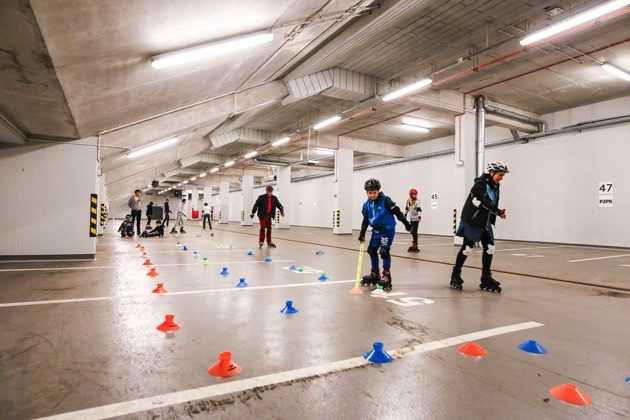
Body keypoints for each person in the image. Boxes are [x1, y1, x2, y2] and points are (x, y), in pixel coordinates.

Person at [450, 161, 509, 293]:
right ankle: (455, 274)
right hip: (473, 221)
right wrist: (497, 211)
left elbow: (491, 203)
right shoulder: (480, 184)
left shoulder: (495, 185)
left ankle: (486, 277)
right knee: (467, 248)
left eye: (503, 175)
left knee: (490, 248)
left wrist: (497, 213)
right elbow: (481, 201)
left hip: (485, 221)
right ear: (492, 172)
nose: (502, 178)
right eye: (500, 175)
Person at [359, 179, 412, 292]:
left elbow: (397, 212)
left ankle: (386, 275)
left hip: (387, 231)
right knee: (371, 250)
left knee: (384, 251)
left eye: (374, 192)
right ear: (367, 192)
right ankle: (375, 273)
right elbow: (365, 220)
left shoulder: (385, 200)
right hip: (376, 231)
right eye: (370, 192)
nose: (372, 195)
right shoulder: (366, 204)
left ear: (378, 191)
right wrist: (362, 233)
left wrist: (407, 224)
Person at [404, 188, 422, 253]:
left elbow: (419, 209)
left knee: (414, 231)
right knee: (410, 230)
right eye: (414, 194)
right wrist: (405, 215)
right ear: (411, 194)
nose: (415, 195)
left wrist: (419, 216)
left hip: (416, 218)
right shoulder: (408, 201)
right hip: (411, 218)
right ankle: (415, 241)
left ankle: (415, 243)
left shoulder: (417, 201)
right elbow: (406, 208)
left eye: (416, 194)